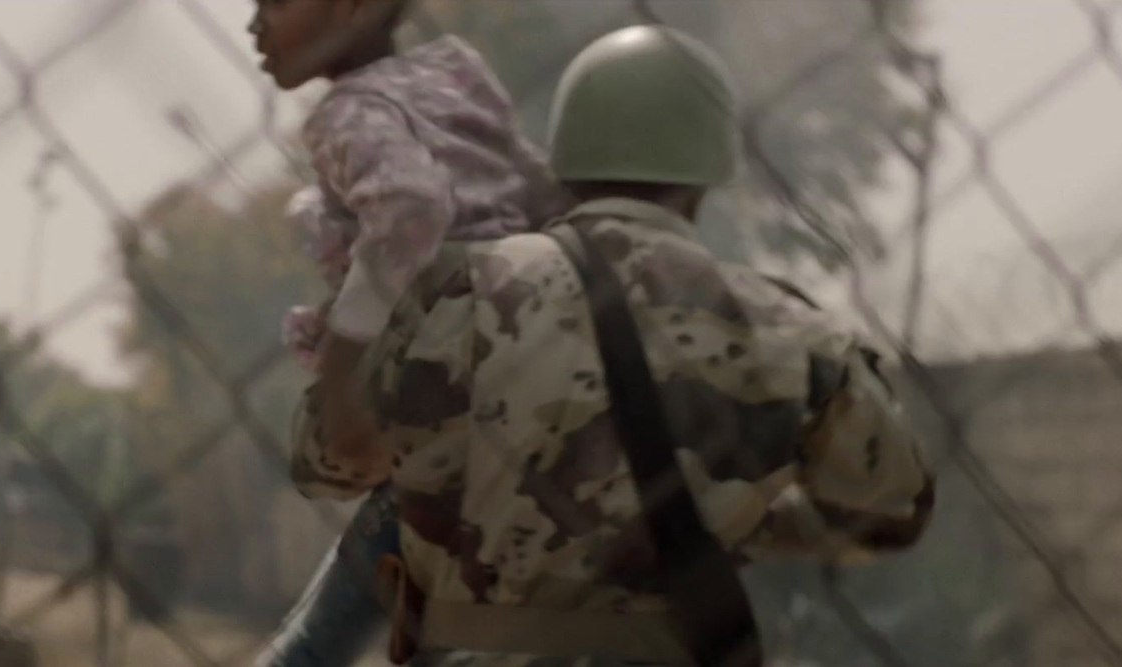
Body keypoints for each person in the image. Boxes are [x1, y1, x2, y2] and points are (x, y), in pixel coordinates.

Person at [292, 24, 937, 666]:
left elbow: (330, 459)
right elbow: (891, 507)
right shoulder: (792, 331)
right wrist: (742, 514)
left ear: (565, 159)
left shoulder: (459, 288)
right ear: (708, 174)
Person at [248, 0, 571, 663]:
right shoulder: (457, 70)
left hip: (440, 412)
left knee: (316, 643)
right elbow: (541, 191)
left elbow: (412, 206)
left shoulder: (344, 113)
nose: (253, 25)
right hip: (524, 395)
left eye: (273, 3)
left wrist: (343, 365)